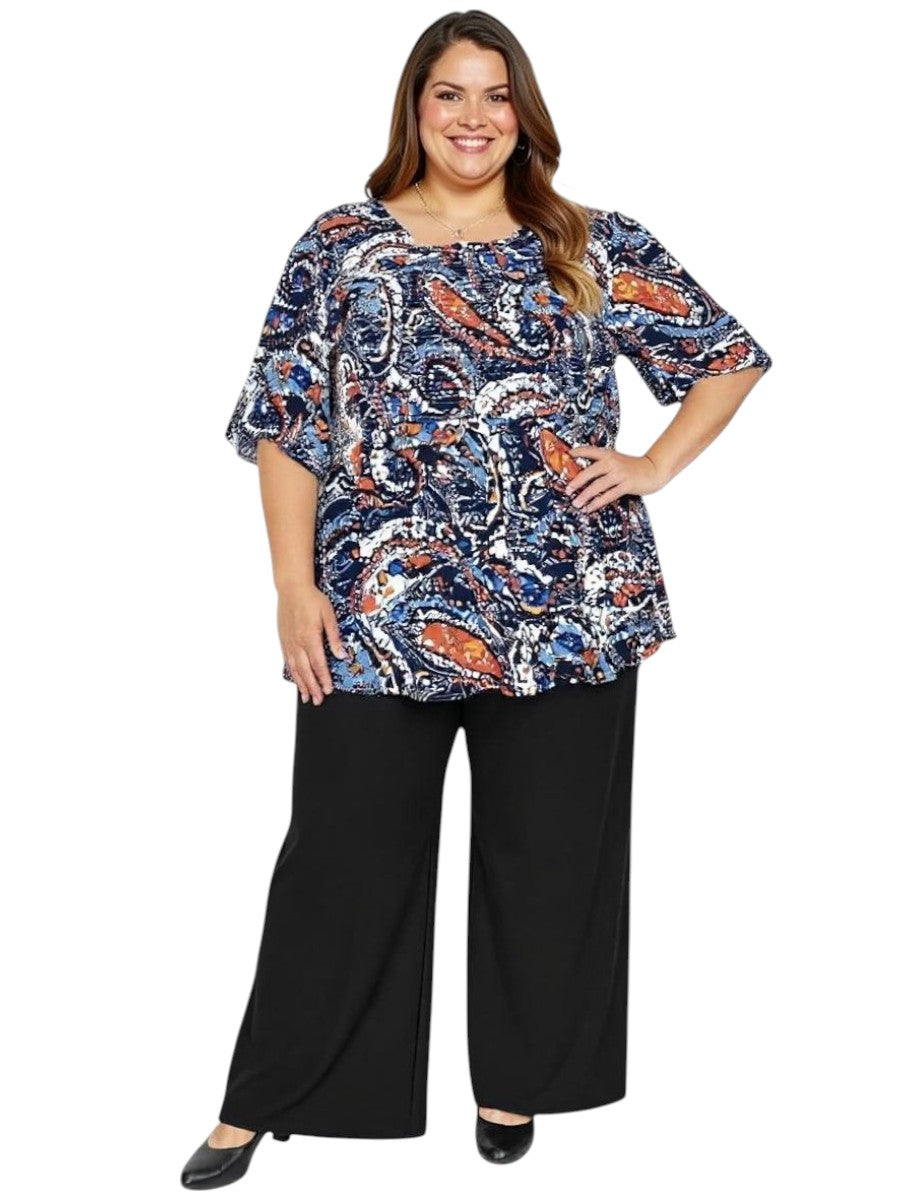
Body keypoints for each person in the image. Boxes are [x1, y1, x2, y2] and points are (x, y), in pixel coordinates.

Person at [181, 9, 773, 1187]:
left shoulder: (588, 242)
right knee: (340, 858)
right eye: (449, 93)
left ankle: (517, 1084)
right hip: (374, 609)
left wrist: (653, 466)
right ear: (415, 106)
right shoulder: (340, 245)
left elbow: (728, 355)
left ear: (525, 113)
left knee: (551, 862)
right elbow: (288, 424)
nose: (473, 118)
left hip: (568, 605)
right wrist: (292, 589)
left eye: (496, 95)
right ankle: (268, 1098)